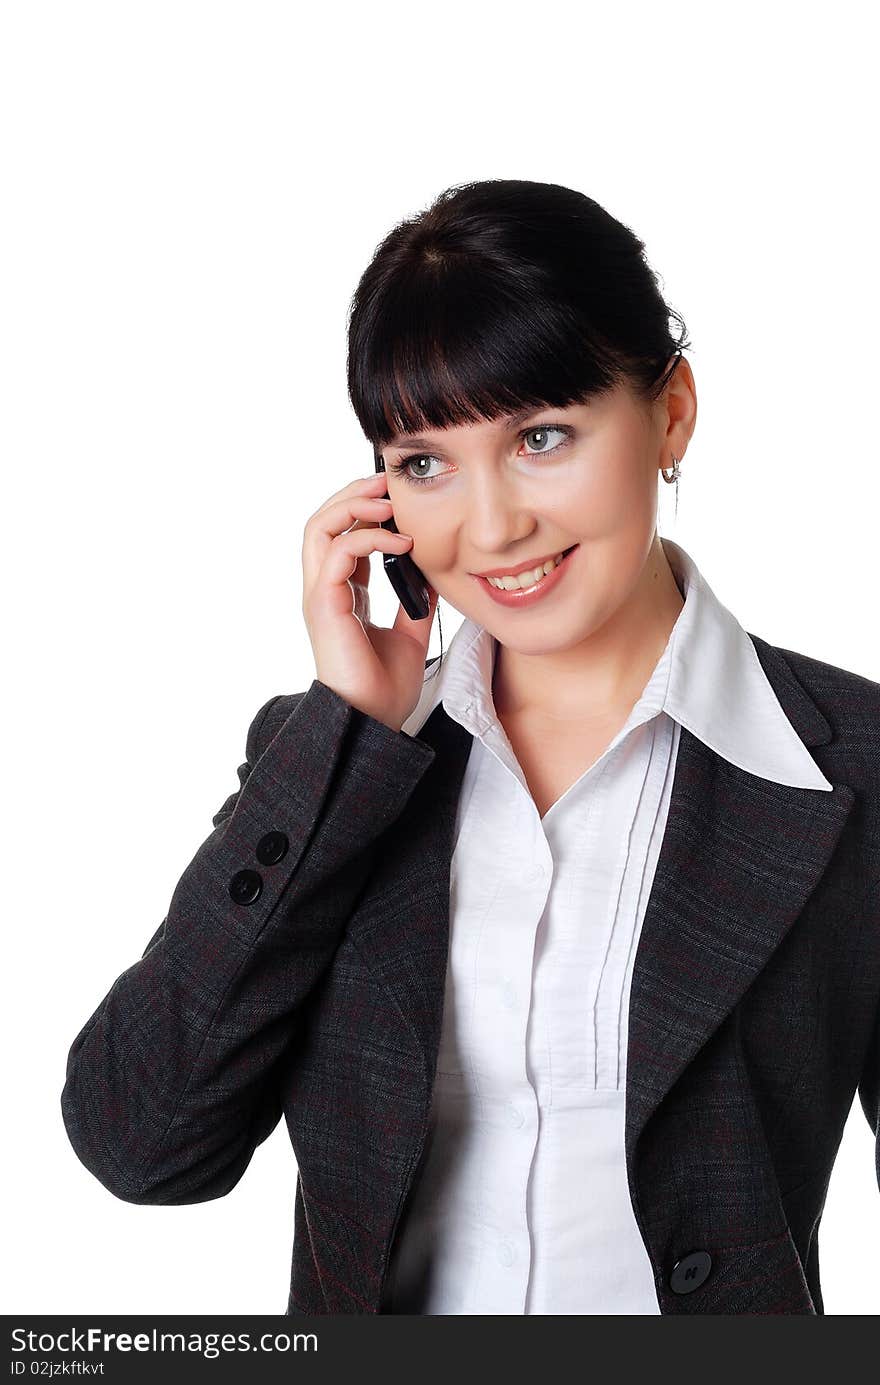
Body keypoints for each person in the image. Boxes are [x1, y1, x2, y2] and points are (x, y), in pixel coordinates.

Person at [60, 178, 880, 1316]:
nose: (490, 527)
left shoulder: (851, 769)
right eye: (426, 461)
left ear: (672, 412)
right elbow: (139, 1141)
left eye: (541, 436)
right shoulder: (335, 767)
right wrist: (345, 735)